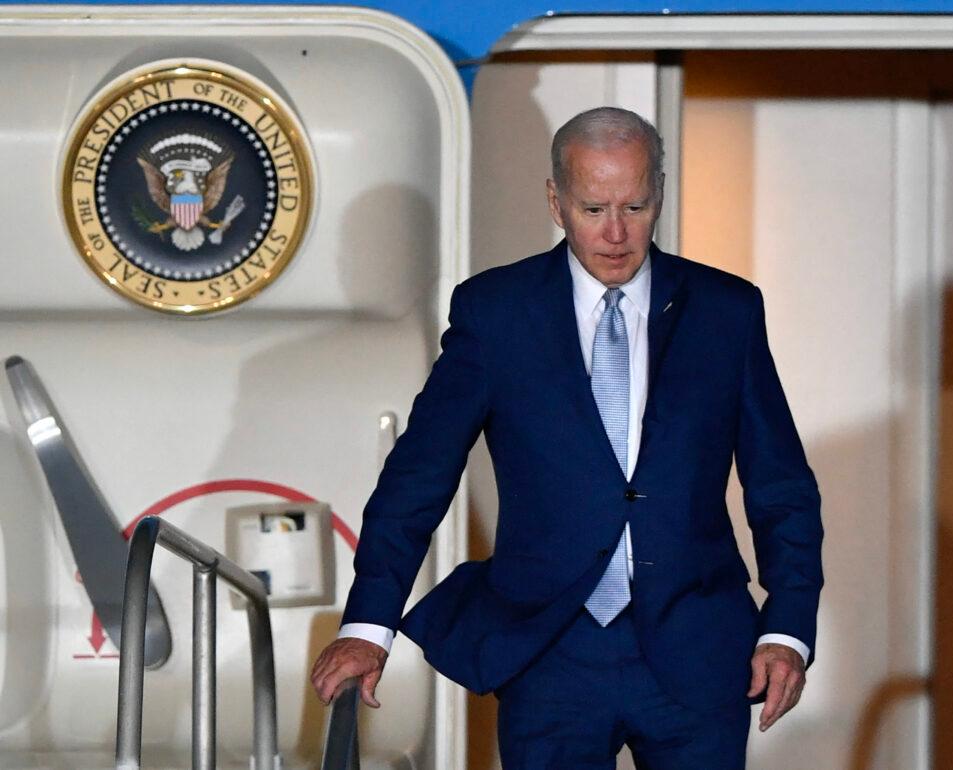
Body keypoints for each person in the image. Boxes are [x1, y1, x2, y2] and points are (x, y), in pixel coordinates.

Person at [311, 107, 823, 768]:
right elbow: (420, 475)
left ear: (659, 193)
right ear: (555, 201)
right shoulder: (495, 313)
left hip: (698, 649)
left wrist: (788, 625)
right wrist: (368, 626)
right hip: (547, 650)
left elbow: (780, 484)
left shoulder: (726, 311)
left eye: (635, 206)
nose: (616, 233)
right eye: (593, 208)